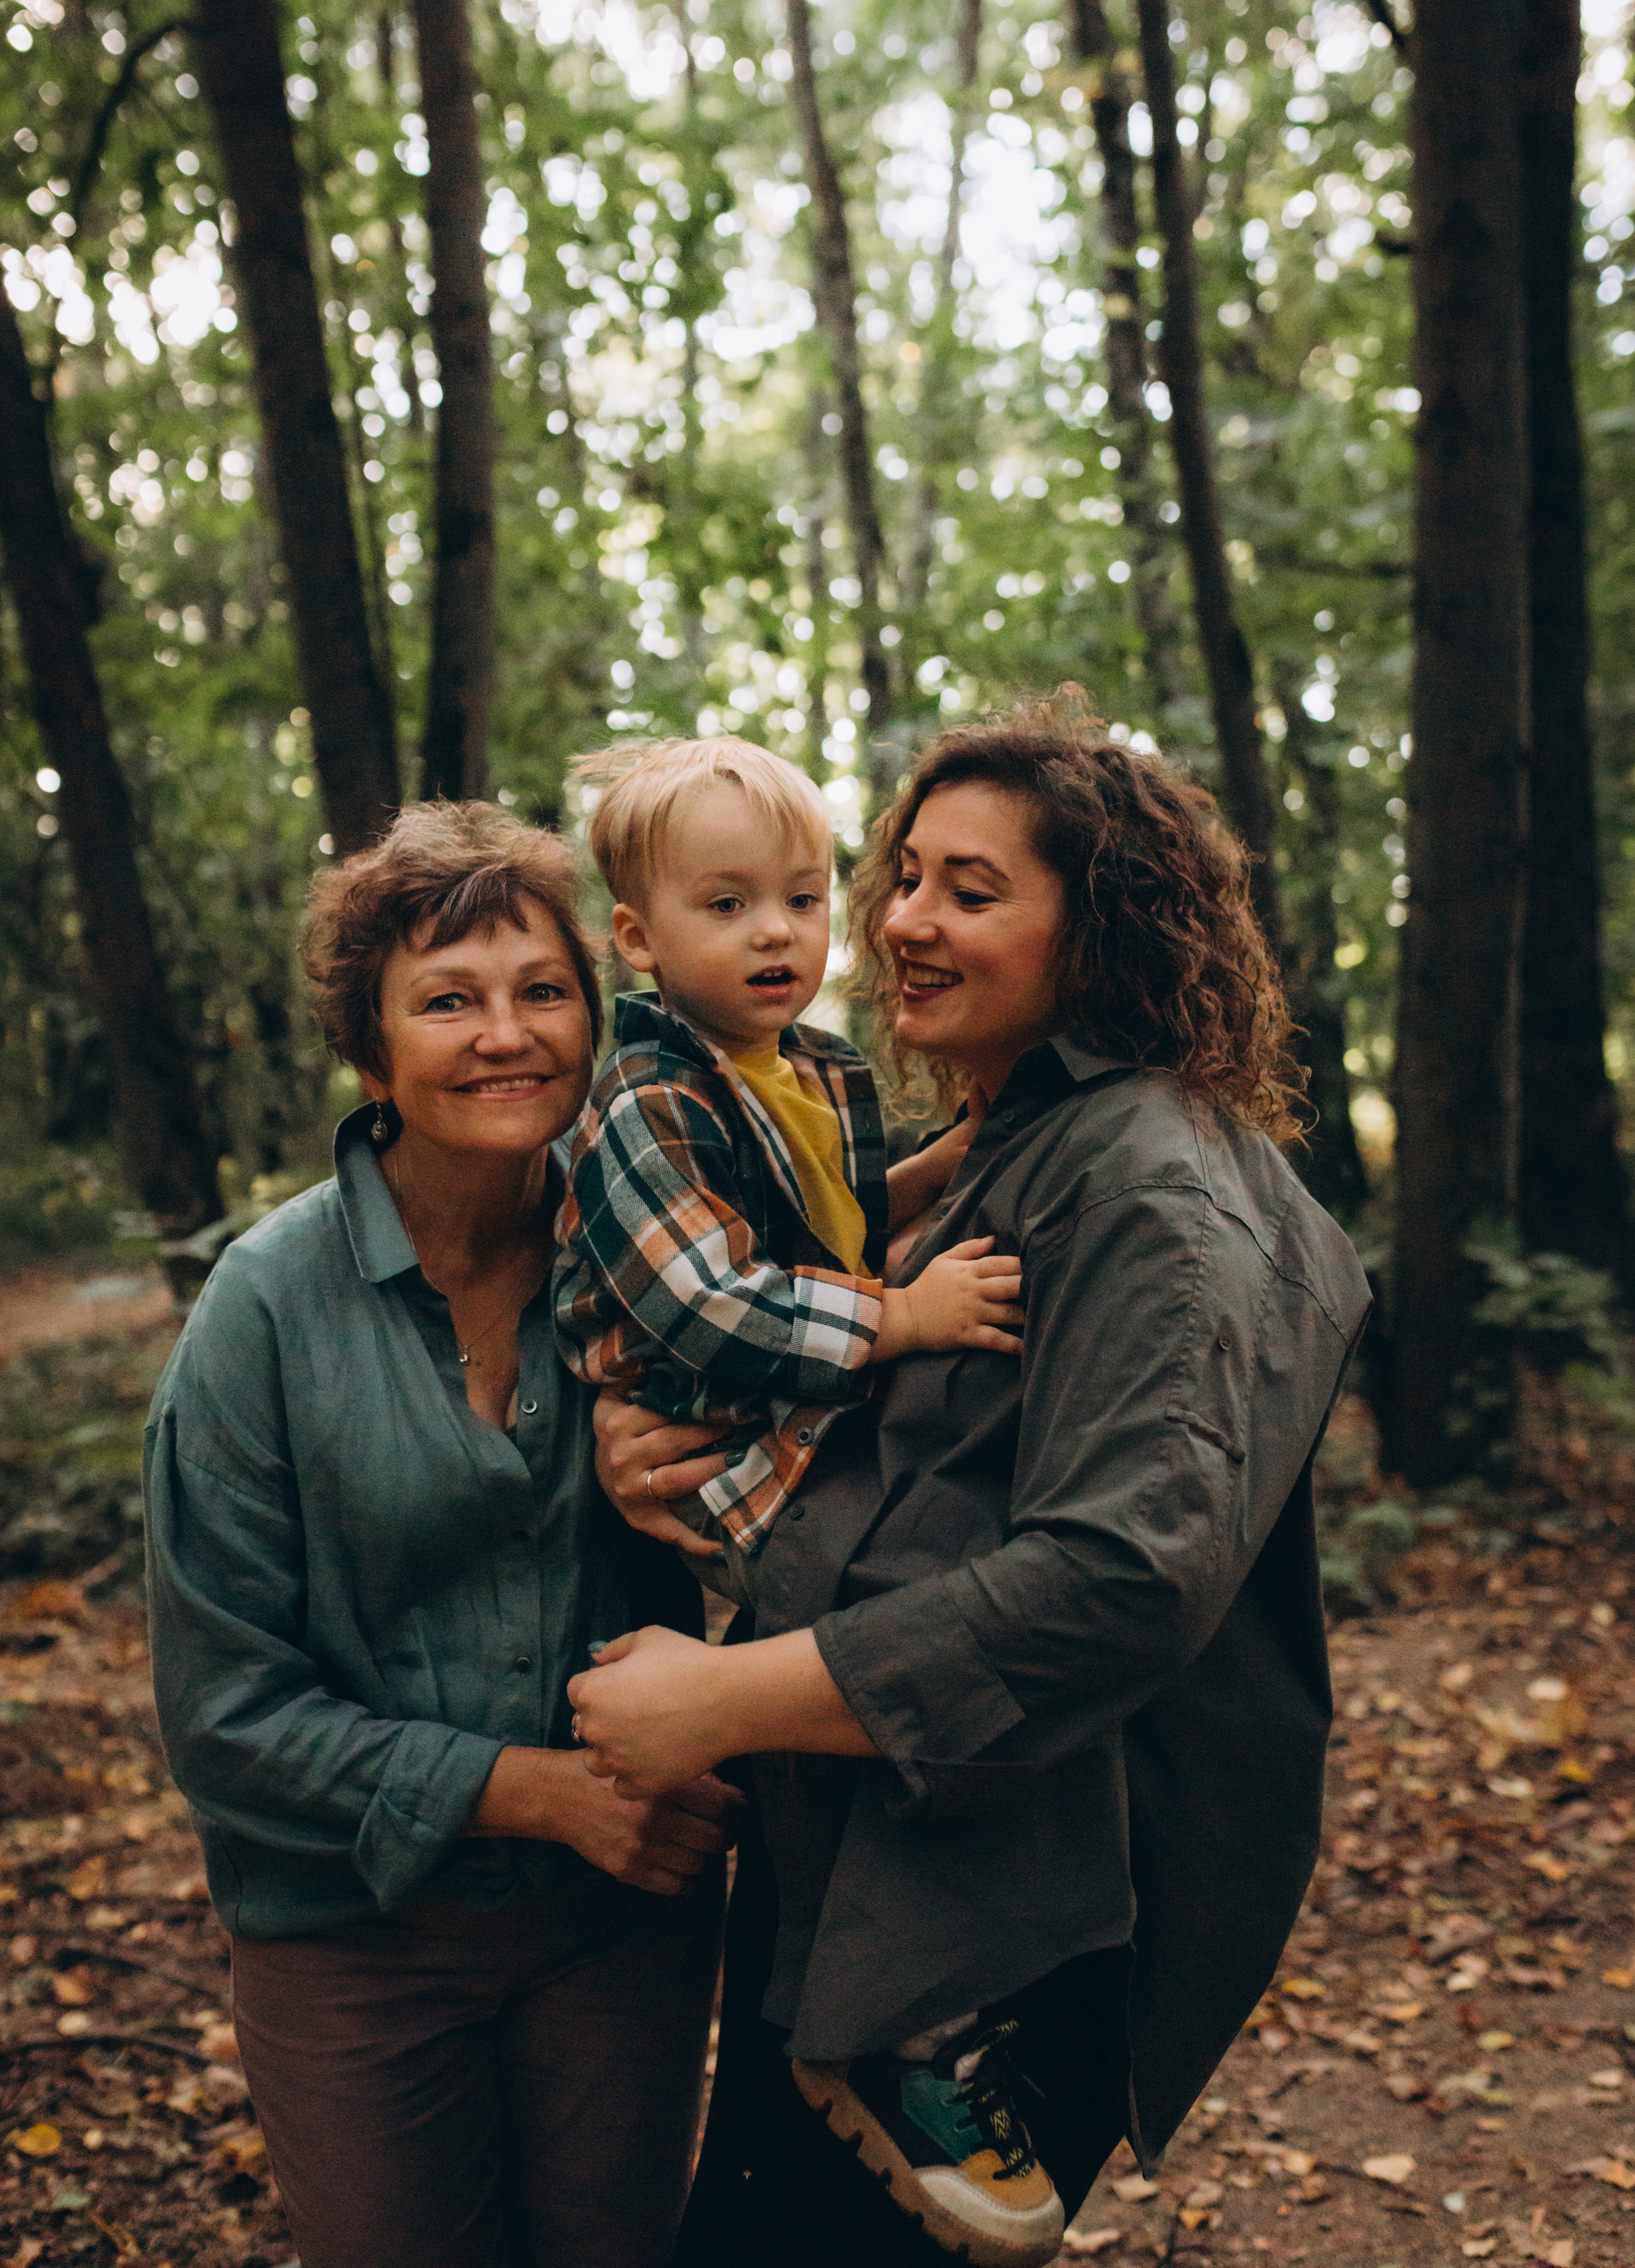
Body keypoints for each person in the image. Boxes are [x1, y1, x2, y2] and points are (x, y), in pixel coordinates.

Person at [570, 696, 1372, 2268]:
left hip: (1007, 1938)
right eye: (907, 878)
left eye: (973, 890)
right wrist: (655, 1443)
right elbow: (877, 1422)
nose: (906, 922)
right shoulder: (1011, 1142)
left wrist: (722, 1702)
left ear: (1102, 928)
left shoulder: (1159, 1192)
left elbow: (1119, 1579)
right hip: (869, 1863)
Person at [143, 803, 737, 2268]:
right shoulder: (265, 1307)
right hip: (351, 1941)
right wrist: (534, 1791)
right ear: (371, 1050)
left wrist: (706, 1498)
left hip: (622, 1918)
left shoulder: (666, 1267)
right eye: (447, 1000)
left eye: (542, 992)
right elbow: (221, 1715)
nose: (504, 1035)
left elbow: (823, 1489)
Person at [553, 735, 1024, 1611]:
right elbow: (718, 1304)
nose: (776, 929)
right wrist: (908, 1315)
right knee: (958, 1588)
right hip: (726, 1464)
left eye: (803, 898)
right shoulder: (649, 1103)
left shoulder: (812, 1068)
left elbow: (831, 1225)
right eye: (727, 904)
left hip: (808, 1422)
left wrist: (948, 1163)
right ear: (640, 938)